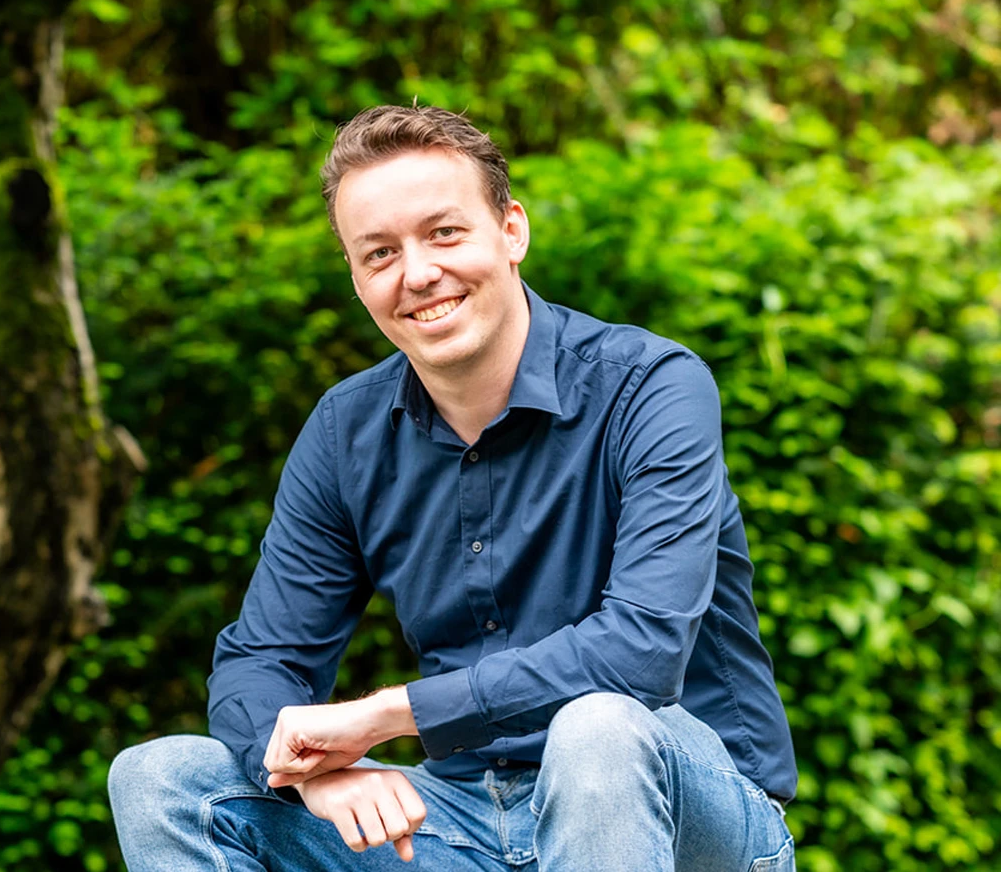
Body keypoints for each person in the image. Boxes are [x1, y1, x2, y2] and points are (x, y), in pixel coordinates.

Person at [108, 104, 798, 871]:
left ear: (512, 231)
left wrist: (383, 717)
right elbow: (259, 661)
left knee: (596, 727)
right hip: (459, 822)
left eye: (444, 233)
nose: (418, 273)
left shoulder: (650, 387)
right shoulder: (347, 431)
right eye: (379, 253)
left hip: (687, 809)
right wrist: (311, 776)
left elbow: (641, 651)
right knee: (159, 780)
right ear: (357, 278)